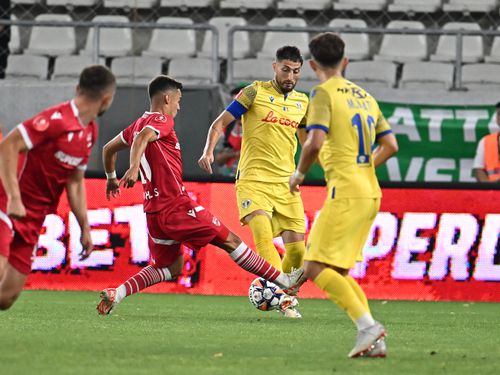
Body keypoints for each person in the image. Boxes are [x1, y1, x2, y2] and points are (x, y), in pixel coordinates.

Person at [97, 75, 304, 315]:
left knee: (170, 267)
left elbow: (108, 149)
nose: (179, 106)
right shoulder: (161, 120)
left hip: (153, 212)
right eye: (178, 100)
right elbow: (144, 137)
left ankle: (117, 293)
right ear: (167, 98)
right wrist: (133, 167)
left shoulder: (136, 124)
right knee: (231, 242)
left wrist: (112, 177)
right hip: (176, 206)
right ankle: (285, 281)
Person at [289, 32, 398, 358]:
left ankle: (368, 328)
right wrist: (364, 169)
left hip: (347, 192)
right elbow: (391, 146)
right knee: (337, 272)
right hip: (370, 192)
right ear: (345, 61)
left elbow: (315, 141)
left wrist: (299, 174)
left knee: (313, 268)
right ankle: (374, 341)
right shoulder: (366, 97)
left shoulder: (322, 93)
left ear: (311, 64)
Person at [198, 46, 309, 318]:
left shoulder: (303, 102)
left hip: (286, 184)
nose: (290, 76)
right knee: (263, 238)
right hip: (253, 180)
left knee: (297, 253)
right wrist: (208, 150)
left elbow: (308, 141)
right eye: (285, 69)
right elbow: (220, 123)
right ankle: (282, 298)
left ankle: (278, 291)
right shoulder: (253, 92)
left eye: (295, 71)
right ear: (274, 67)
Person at [0, 65, 116, 310]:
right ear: (107, 98)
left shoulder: (89, 131)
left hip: (33, 215)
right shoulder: (57, 119)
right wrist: (13, 197)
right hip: (8, 203)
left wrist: (84, 227)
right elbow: (8, 145)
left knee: (6, 297)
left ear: (78, 88)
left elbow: (74, 182)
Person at [213, 87, 243, 177]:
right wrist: (234, 154)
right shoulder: (227, 128)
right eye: (235, 103)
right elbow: (218, 159)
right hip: (229, 179)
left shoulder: (259, 126)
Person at [473, 102, 500, 182]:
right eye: (499, 114)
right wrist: (490, 188)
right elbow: (479, 170)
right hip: (494, 191)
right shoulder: (486, 141)